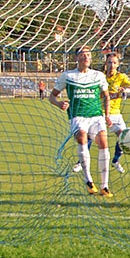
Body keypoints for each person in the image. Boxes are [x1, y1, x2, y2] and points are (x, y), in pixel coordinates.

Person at [49, 45, 114, 196]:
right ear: (76, 58)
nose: (86, 58)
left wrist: (107, 115)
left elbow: (106, 96)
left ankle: (104, 186)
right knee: (82, 138)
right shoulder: (68, 76)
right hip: (78, 116)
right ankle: (89, 181)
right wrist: (59, 104)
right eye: (83, 55)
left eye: (88, 55)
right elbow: (52, 96)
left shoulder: (98, 75)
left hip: (96, 115)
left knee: (104, 143)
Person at [103, 52, 130, 174]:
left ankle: (115, 161)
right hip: (100, 112)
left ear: (118, 64)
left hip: (116, 113)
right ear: (105, 63)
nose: (111, 65)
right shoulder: (101, 76)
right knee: (92, 135)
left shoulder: (121, 77)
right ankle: (80, 162)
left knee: (124, 138)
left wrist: (126, 90)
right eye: (109, 62)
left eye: (114, 62)